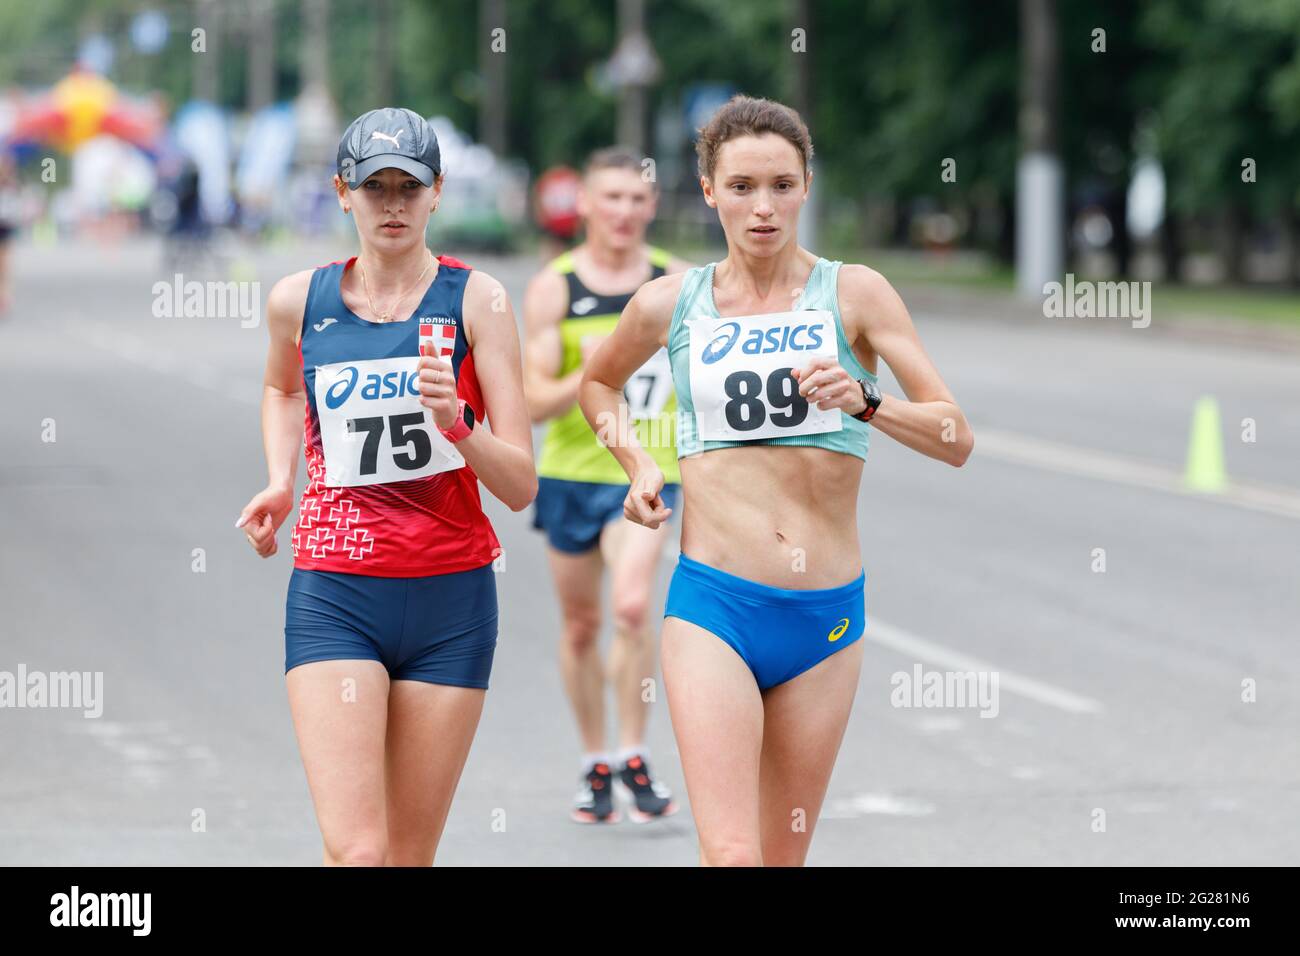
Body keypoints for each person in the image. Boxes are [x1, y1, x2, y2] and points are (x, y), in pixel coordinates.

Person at [578, 95, 973, 864]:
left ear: (807, 185)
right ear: (707, 189)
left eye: (782, 186)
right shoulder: (670, 304)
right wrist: (639, 461)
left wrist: (867, 400)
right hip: (715, 604)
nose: (763, 208)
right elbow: (599, 385)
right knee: (732, 855)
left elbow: (955, 436)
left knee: (779, 857)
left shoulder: (855, 294)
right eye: (742, 187)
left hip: (822, 618)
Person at [236, 107, 536, 866]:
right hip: (337, 592)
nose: (394, 204)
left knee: (407, 855)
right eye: (376, 188)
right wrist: (281, 481)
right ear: (343, 193)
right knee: (358, 853)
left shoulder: (479, 302)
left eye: (411, 186)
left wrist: (460, 425)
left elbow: (523, 484)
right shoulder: (299, 301)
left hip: (452, 600)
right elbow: (280, 389)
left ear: (438, 194)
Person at [523, 147, 693, 824]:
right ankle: (594, 758)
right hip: (570, 474)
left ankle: (633, 750)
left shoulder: (676, 282)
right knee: (582, 624)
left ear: (652, 206)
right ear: (585, 206)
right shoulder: (555, 287)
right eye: (610, 198)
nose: (624, 211)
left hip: (648, 473)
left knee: (628, 609)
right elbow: (534, 403)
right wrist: (594, 372)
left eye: (636, 199)